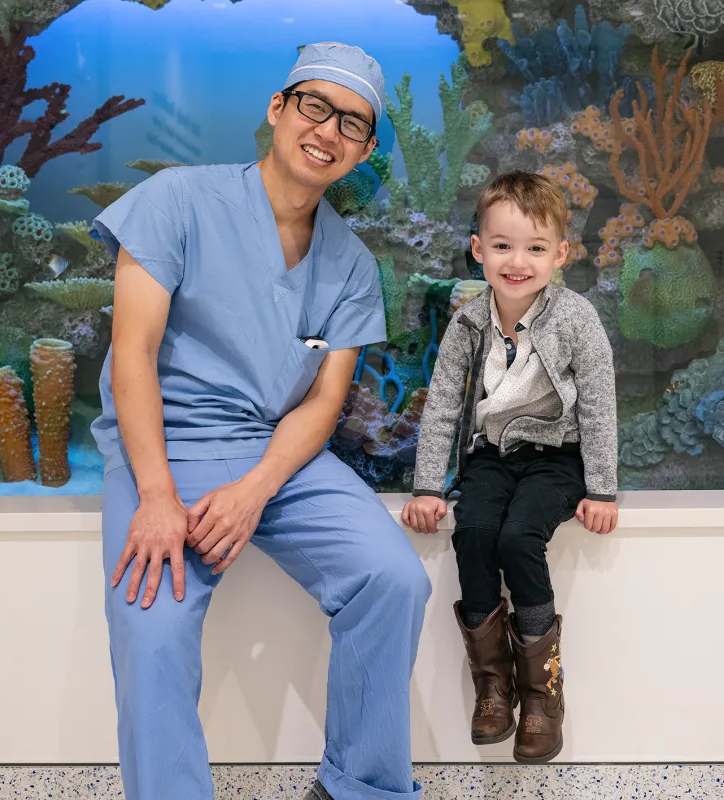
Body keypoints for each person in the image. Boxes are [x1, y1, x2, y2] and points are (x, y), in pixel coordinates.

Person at [91, 43, 431, 800]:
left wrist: (254, 491)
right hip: (164, 448)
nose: (328, 131)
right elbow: (133, 354)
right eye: (315, 106)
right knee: (150, 632)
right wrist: (154, 496)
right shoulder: (176, 200)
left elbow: (322, 401)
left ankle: (360, 787)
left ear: (364, 150)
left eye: (353, 123)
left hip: (278, 457)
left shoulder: (351, 266)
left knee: (391, 578)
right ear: (277, 109)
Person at [401, 171, 618, 764]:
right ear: (478, 250)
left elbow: (598, 404)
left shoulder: (576, 319)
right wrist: (427, 485)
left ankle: (543, 693)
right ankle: (492, 685)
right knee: (472, 532)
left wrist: (601, 489)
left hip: (556, 458)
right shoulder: (469, 322)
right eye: (502, 245)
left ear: (561, 254)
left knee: (519, 537)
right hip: (492, 456)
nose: (517, 261)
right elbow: (444, 403)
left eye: (535, 248)